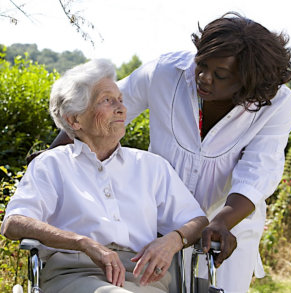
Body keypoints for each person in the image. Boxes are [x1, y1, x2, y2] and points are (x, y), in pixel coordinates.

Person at [35, 11, 291, 293]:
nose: (204, 78)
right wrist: (49, 159)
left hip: (228, 224)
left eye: (220, 75)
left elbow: (259, 170)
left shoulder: (276, 102)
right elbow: (92, 111)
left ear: (249, 80)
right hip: (160, 220)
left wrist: (221, 221)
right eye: (202, 64)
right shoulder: (165, 72)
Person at [1, 59, 208, 293]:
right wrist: (82, 243)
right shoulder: (51, 164)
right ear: (74, 119)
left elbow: (196, 220)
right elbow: (14, 223)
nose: (121, 108)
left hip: (144, 279)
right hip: (73, 274)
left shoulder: (151, 166)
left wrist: (173, 240)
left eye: (120, 100)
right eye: (107, 101)